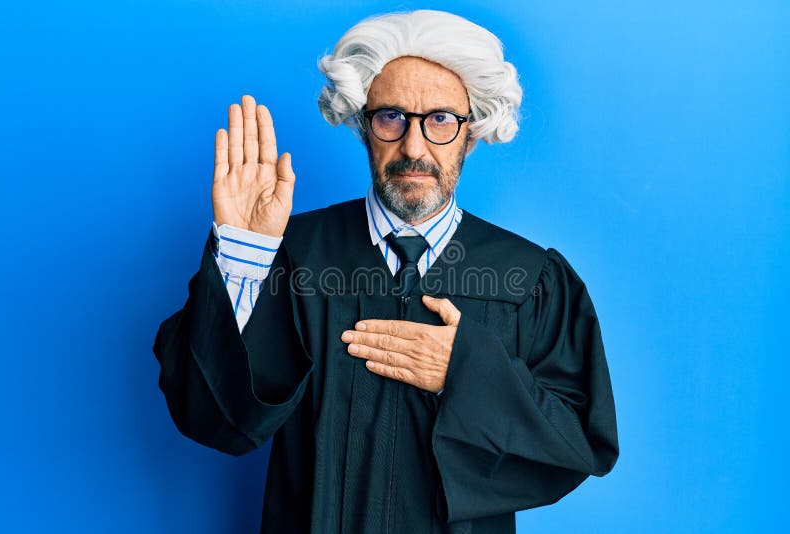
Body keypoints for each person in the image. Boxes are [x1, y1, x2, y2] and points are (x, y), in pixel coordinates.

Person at [153, 9, 619, 534]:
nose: (414, 147)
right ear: (362, 125)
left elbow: (579, 444)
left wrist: (466, 372)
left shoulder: (530, 278)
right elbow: (214, 418)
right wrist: (243, 253)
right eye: (391, 117)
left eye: (441, 119)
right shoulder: (290, 255)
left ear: (471, 133)